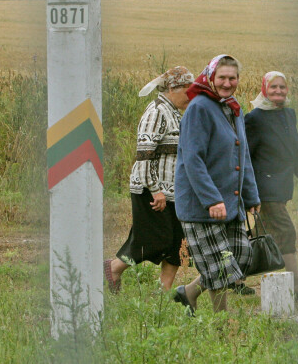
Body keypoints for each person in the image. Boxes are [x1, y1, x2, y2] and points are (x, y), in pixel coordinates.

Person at [173, 54, 260, 314]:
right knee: (220, 269)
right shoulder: (199, 107)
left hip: (230, 202)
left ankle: (189, 292)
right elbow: (193, 160)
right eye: (222, 77)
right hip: (202, 205)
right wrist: (212, 200)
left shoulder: (232, 107)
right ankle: (223, 325)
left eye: (232, 78)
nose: (227, 82)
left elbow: (242, 156)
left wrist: (252, 197)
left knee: (240, 258)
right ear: (211, 77)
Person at [104, 66, 194, 293]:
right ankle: (113, 268)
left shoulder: (174, 112)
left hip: (174, 192)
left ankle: (162, 295)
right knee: (152, 240)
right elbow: (144, 154)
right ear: (174, 88)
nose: (191, 96)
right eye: (188, 90)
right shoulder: (156, 112)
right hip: (151, 190)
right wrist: (155, 190)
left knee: (177, 244)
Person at [245, 71, 298, 301]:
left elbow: (296, 154)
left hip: (281, 189)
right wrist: (248, 193)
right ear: (264, 90)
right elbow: (245, 157)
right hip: (264, 190)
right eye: (273, 87)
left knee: (256, 236)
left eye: (282, 87)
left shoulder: (289, 115)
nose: (278, 91)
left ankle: (235, 280)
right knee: (285, 231)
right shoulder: (255, 118)